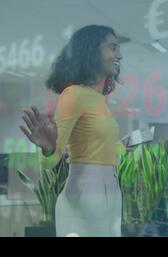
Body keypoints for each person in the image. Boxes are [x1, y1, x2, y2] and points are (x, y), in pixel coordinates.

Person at [20, 25, 131, 237]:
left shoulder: (98, 98)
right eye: (113, 47)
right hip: (85, 194)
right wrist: (49, 148)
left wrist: (121, 147)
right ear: (91, 50)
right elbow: (50, 162)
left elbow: (93, 148)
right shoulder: (73, 94)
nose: (120, 55)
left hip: (111, 190)